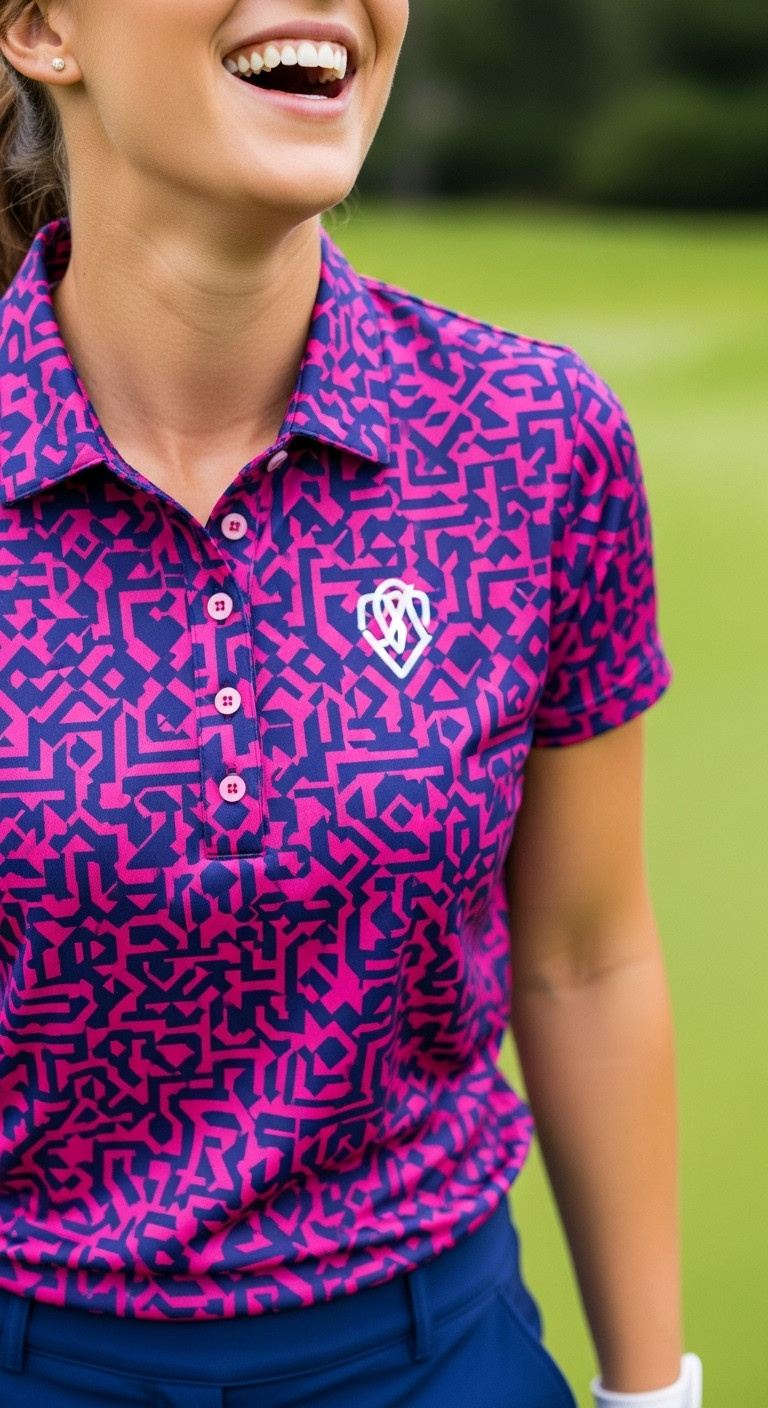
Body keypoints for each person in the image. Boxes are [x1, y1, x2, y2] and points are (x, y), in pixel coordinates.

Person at [0, 3, 702, 1406]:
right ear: (41, 29)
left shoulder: (534, 439)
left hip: (437, 1356)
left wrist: (652, 1393)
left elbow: (585, 956)